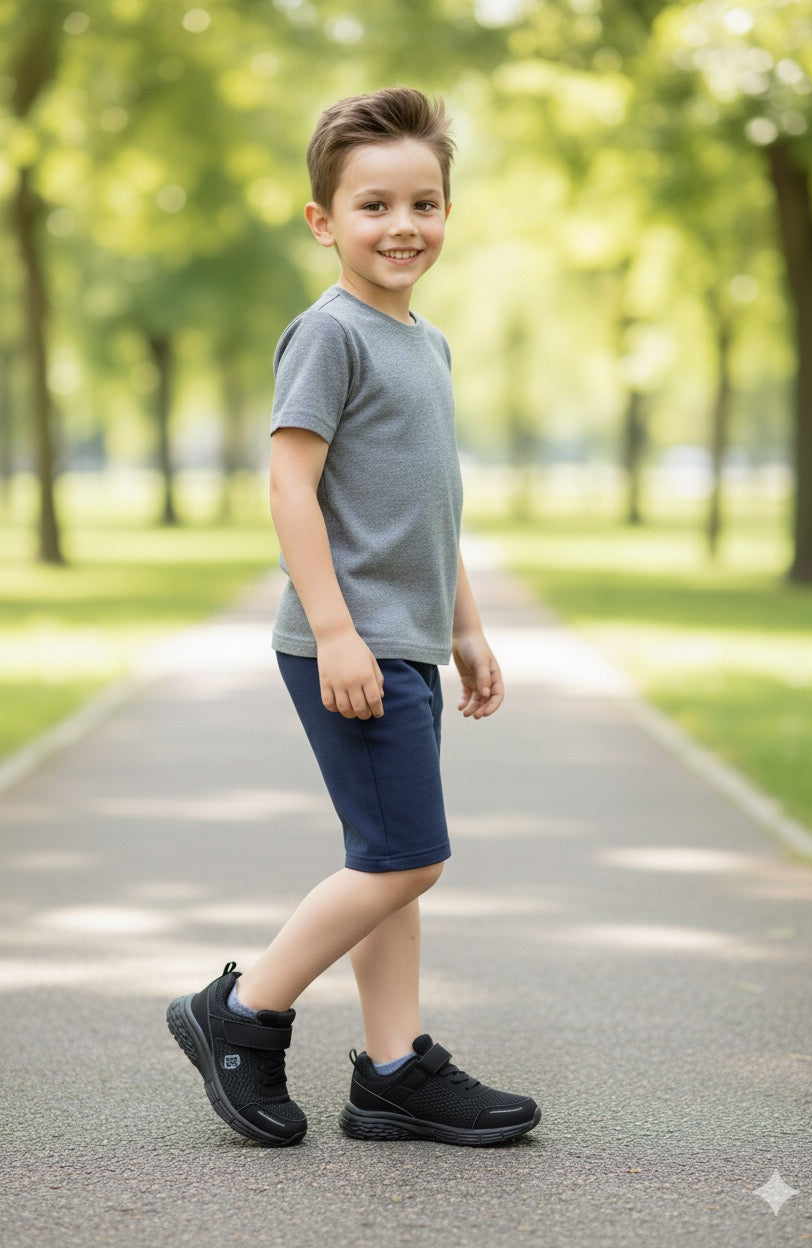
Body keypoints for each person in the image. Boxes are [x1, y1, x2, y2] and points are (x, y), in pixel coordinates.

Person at [167, 86, 541, 1149]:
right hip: (349, 644)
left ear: (447, 213)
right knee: (406, 859)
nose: (402, 226)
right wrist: (335, 629)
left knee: (390, 855)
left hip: (406, 640)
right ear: (323, 221)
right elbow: (291, 489)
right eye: (373, 206)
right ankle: (239, 1013)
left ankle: (391, 1070)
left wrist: (464, 626)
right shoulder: (329, 336)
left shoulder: (425, 343)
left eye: (423, 202)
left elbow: (433, 505)